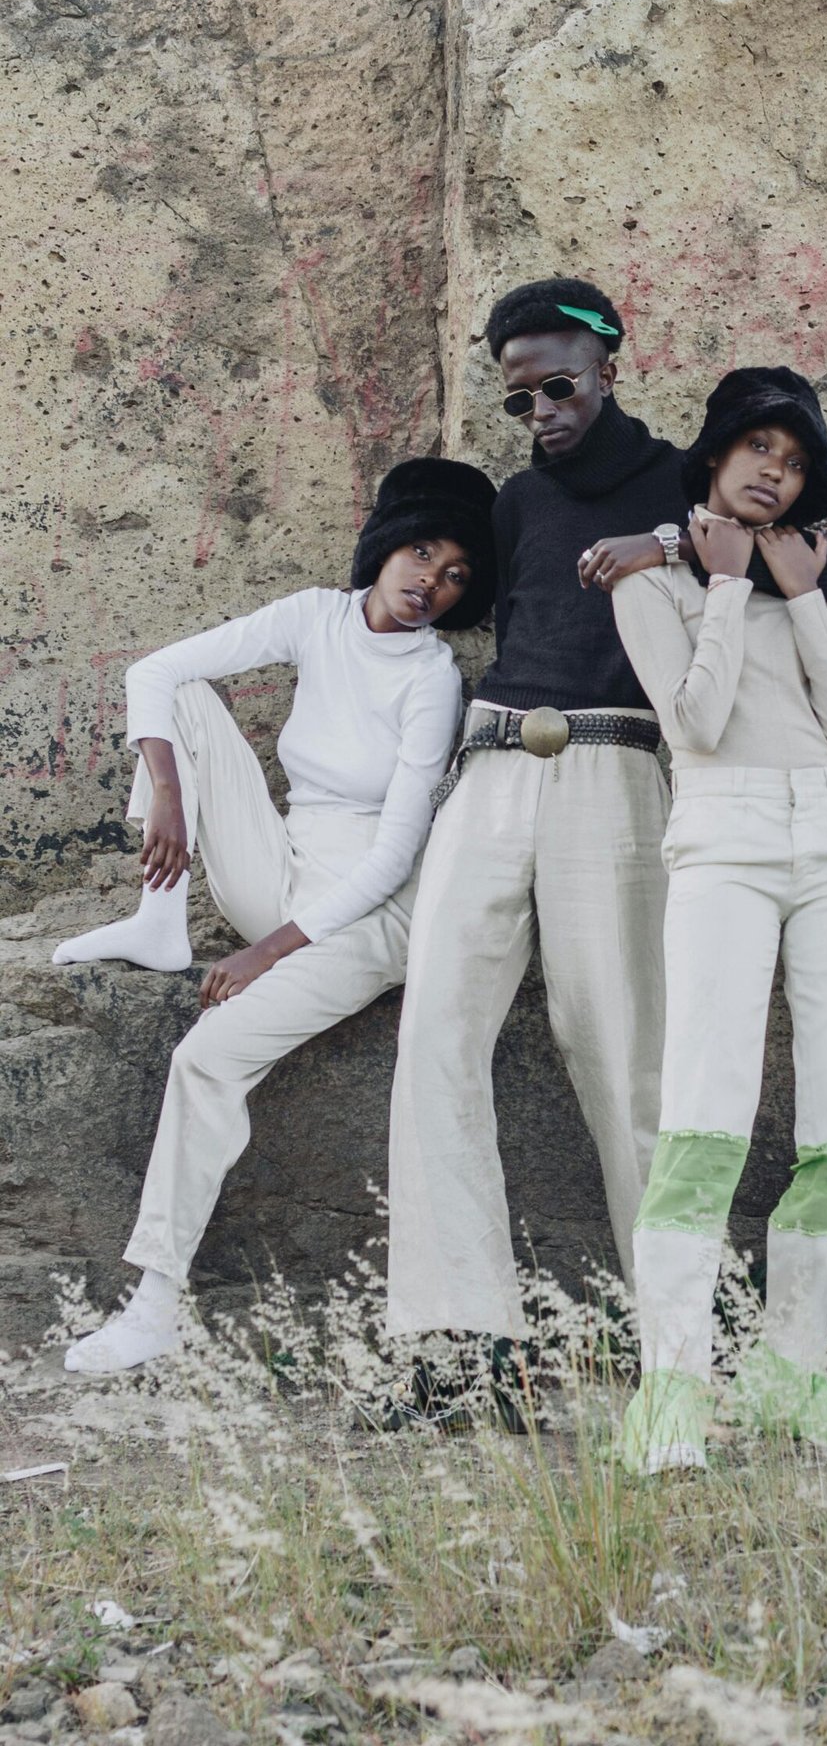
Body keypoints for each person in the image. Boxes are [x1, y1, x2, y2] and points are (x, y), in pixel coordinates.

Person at [54, 458, 496, 1374]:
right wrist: (169, 795)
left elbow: (394, 858)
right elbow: (154, 668)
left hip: (368, 914)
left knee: (206, 1055)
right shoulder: (315, 617)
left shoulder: (432, 680)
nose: (430, 583)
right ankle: (158, 917)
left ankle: (155, 1305)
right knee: (181, 698)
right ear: (384, 548)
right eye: (420, 552)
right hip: (286, 865)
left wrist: (267, 952)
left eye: (455, 573)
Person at [384, 278, 687, 1349]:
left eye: (558, 386)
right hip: (492, 760)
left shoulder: (688, 480)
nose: (542, 413)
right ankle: (456, 1337)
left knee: (619, 1047)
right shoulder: (516, 503)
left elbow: (779, 563)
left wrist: (673, 543)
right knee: (436, 1033)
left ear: (611, 359)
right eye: (520, 399)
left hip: (614, 761)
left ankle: (677, 1338)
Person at [611, 367, 827, 1473]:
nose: (773, 468)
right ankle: (670, 1388)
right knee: (705, 1109)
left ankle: (788, 1372)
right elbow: (699, 722)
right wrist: (722, 584)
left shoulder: (813, 576)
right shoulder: (651, 580)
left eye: (791, 456)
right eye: (755, 449)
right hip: (722, 840)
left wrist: (800, 595)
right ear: (714, 459)